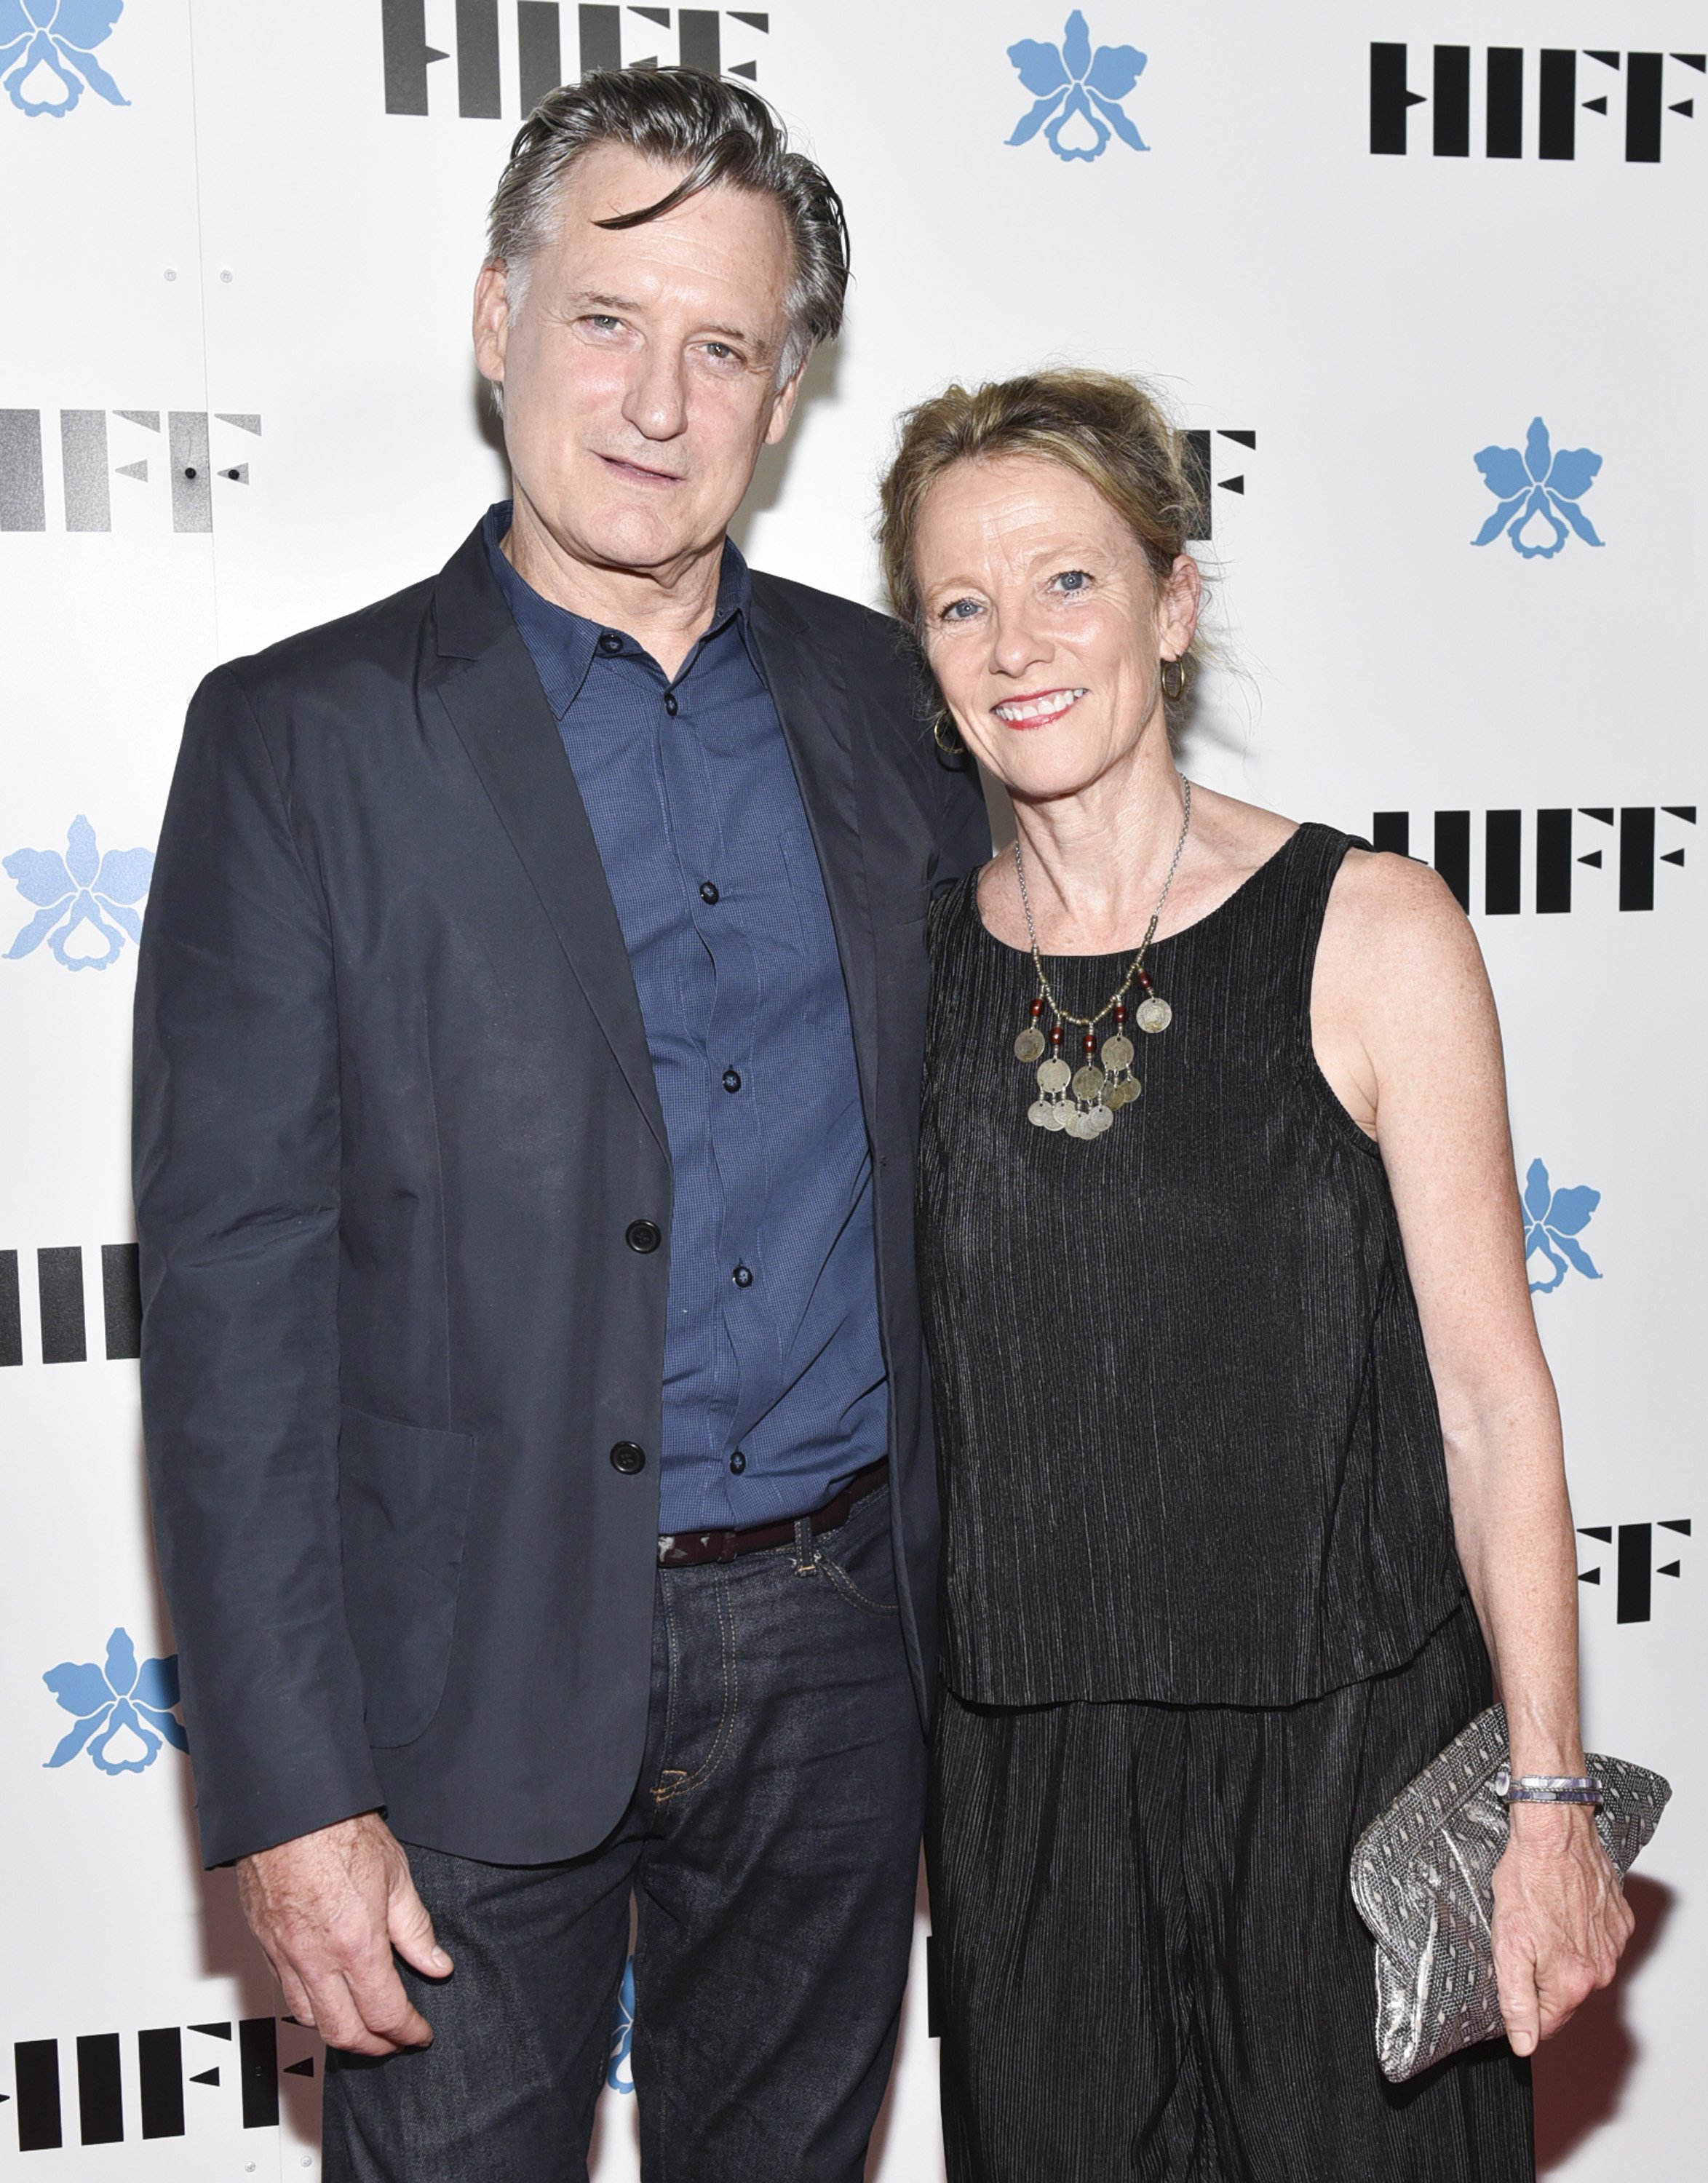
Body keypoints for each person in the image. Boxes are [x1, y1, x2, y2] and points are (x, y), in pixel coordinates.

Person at [133, 70, 987, 2182]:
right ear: (495, 316)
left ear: (783, 399)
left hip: (838, 1653)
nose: (654, 399)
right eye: (605, 318)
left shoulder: (903, 710)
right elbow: (233, 1313)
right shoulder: (298, 741)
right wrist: (287, 1791)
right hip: (455, 1680)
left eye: (723, 347)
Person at [876, 368, 1634, 2181]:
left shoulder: (1373, 931)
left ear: (1173, 602)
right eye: (959, 604)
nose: (1015, 643)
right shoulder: (909, 967)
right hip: (1033, 1809)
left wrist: (1546, 1799)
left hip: (1352, 1781)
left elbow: (1486, 1401)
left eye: (1067, 580)